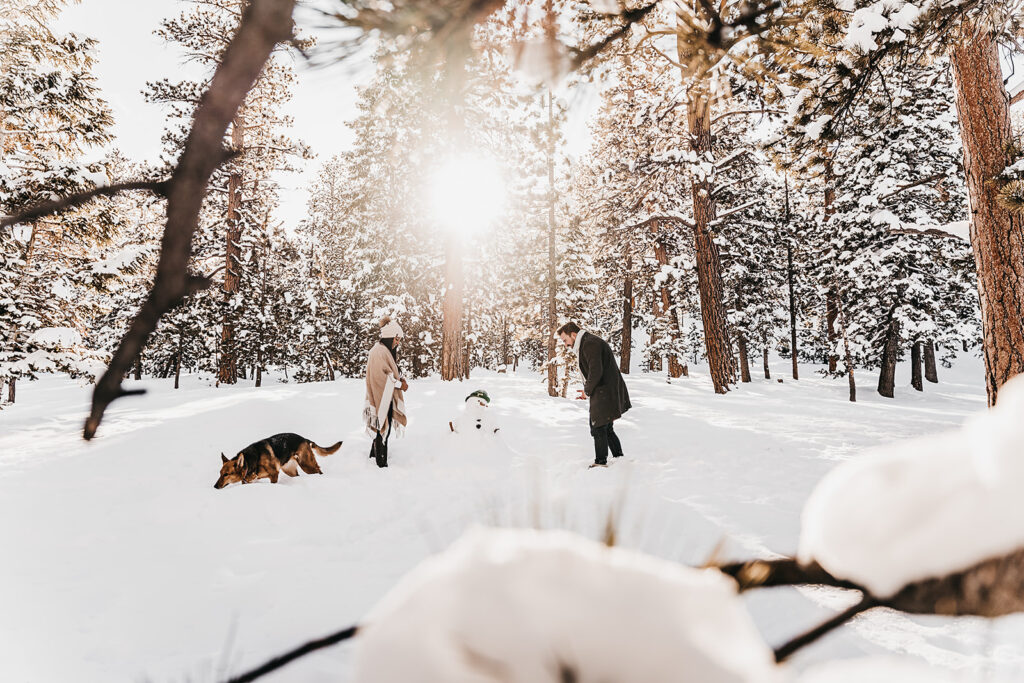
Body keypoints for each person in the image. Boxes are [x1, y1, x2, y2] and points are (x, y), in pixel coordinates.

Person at [557, 322, 631, 468]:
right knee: (606, 427)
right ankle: (618, 457)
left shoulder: (589, 343)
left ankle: (600, 462)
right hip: (605, 391)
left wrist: (587, 390)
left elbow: (596, 371)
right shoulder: (587, 342)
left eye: (565, 340)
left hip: (604, 392)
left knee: (597, 427)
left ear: (573, 334)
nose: (566, 344)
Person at [363, 317, 409, 468]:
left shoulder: (383, 350)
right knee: (383, 429)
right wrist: (398, 384)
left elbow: (391, 370)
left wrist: (400, 378)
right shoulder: (379, 352)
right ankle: (381, 464)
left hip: (383, 396)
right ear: (391, 336)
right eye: (397, 339)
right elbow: (380, 378)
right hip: (380, 396)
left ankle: (373, 456)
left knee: (380, 427)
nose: (398, 342)